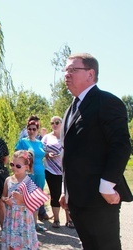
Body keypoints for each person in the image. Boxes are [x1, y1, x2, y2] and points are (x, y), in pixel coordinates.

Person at [59, 53, 133, 250]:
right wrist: (65, 190)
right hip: (77, 198)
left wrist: (107, 186)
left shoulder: (107, 102)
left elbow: (121, 145)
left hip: (99, 199)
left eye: (73, 69)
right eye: (66, 70)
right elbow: (70, 153)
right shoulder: (71, 109)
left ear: (90, 74)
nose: (67, 74)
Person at [1, 150, 39, 250]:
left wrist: (22, 199)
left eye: (18, 166)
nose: (14, 168)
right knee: (11, 242)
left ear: (27, 167)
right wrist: (5, 200)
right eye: (12, 164)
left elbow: (35, 203)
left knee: (23, 243)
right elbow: (3, 196)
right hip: (11, 216)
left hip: (24, 218)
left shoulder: (28, 181)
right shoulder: (8, 180)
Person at [41, 116, 74, 229]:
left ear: (61, 123)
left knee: (67, 194)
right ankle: (56, 219)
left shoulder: (66, 135)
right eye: (52, 123)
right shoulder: (46, 137)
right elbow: (41, 150)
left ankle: (69, 219)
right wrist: (47, 154)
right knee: (55, 194)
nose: (54, 124)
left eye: (57, 122)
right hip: (51, 170)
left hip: (65, 170)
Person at [15, 120, 47, 232]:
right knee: (27, 197)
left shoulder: (39, 142)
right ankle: (26, 224)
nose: (31, 131)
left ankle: (34, 224)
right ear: (27, 130)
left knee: (37, 198)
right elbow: (16, 156)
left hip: (40, 172)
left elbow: (42, 154)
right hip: (28, 173)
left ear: (37, 130)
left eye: (34, 129)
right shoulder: (23, 142)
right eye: (29, 129)